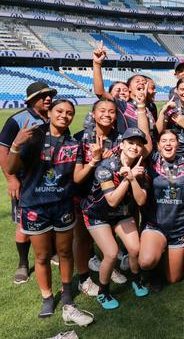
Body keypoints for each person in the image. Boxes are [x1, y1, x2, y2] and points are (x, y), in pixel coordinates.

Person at [7, 99, 94, 325]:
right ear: (50, 112)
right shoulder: (33, 136)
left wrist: (93, 162)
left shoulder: (74, 144)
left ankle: (66, 293)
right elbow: (11, 168)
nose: (64, 116)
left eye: (69, 113)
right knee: (43, 256)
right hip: (35, 206)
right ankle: (47, 296)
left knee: (65, 253)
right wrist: (16, 145)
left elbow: (75, 177)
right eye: (60, 111)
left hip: (62, 205)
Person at [80, 128, 151, 309]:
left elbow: (141, 200)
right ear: (122, 145)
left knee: (135, 249)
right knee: (111, 253)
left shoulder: (142, 169)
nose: (135, 147)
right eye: (131, 143)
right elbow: (111, 201)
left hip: (122, 213)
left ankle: (136, 279)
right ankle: (103, 292)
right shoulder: (106, 167)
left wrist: (134, 178)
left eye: (139, 144)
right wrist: (128, 178)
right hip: (97, 214)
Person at [73, 99, 129, 297]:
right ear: (94, 114)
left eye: (112, 111)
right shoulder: (80, 138)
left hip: (109, 198)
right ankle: (83, 279)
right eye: (102, 111)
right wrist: (96, 160)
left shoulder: (121, 138)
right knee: (82, 240)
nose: (107, 114)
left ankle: (109, 267)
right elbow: (77, 176)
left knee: (107, 239)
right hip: (84, 197)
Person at [0, 81, 52, 285]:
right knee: (24, 223)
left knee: (51, 218)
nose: (47, 98)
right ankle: (23, 264)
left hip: (49, 179)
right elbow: (3, 151)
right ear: (30, 100)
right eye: (42, 96)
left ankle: (53, 252)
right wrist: (11, 179)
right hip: (26, 181)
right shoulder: (17, 120)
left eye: (49, 95)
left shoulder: (53, 116)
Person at [139, 130, 184, 287]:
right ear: (158, 145)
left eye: (172, 140)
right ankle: (153, 267)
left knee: (173, 278)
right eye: (164, 140)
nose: (168, 144)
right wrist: (142, 107)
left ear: (178, 144)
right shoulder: (151, 161)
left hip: (180, 226)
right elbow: (144, 137)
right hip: (156, 225)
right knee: (146, 261)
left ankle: (166, 255)